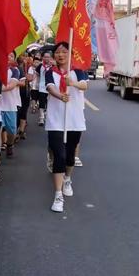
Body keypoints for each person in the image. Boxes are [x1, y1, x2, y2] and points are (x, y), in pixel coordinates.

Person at [45, 42, 88, 213]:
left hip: (74, 121)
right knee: (59, 156)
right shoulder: (50, 73)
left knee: (70, 158)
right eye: (58, 52)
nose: (60, 55)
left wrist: (73, 83)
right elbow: (50, 88)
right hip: (55, 121)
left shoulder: (78, 70)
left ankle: (67, 178)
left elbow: (85, 85)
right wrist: (60, 95)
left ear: (70, 54)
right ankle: (57, 195)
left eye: (64, 52)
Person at [0, 52, 20, 157]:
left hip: (10, 105)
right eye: (6, 54)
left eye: (11, 56)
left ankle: (9, 144)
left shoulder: (14, 71)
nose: (8, 57)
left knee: (12, 130)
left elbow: (12, 85)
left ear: (14, 59)